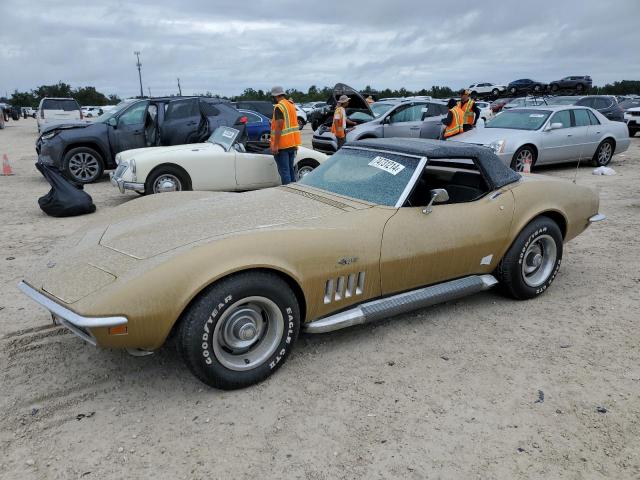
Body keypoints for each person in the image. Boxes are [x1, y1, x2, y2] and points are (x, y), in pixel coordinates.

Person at [270, 86, 302, 185]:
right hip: (292, 143)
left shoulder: (279, 107)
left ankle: (287, 194)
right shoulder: (291, 105)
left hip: (282, 145)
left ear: (275, 96)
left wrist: (275, 145)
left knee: (284, 172)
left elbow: (279, 125)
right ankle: (294, 191)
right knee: (290, 170)